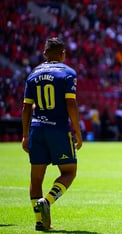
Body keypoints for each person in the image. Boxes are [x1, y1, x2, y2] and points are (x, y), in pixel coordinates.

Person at [21, 37, 83, 231]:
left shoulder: (32, 74)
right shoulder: (68, 73)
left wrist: (24, 135)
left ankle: (40, 221)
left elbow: (26, 107)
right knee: (69, 172)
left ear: (44, 53)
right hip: (58, 130)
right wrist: (78, 131)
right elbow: (71, 104)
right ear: (63, 53)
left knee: (36, 178)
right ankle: (47, 201)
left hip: (37, 129)